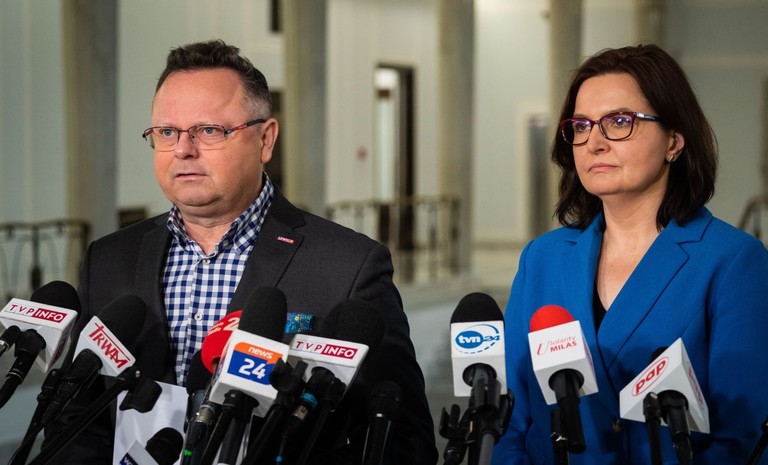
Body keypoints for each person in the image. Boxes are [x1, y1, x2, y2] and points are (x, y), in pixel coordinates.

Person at [46, 39, 437, 465]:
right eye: (167, 132)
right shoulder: (108, 260)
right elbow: (75, 419)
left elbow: (403, 439)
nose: (183, 149)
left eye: (209, 131)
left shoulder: (348, 267)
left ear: (265, 139)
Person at [492, 44, 768, 464]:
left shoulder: (733, 262)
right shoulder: (542, 259)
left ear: (674, 141)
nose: (594, 142)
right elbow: (510, 418)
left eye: (619, 122)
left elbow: (742, 436)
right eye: (581, 126)